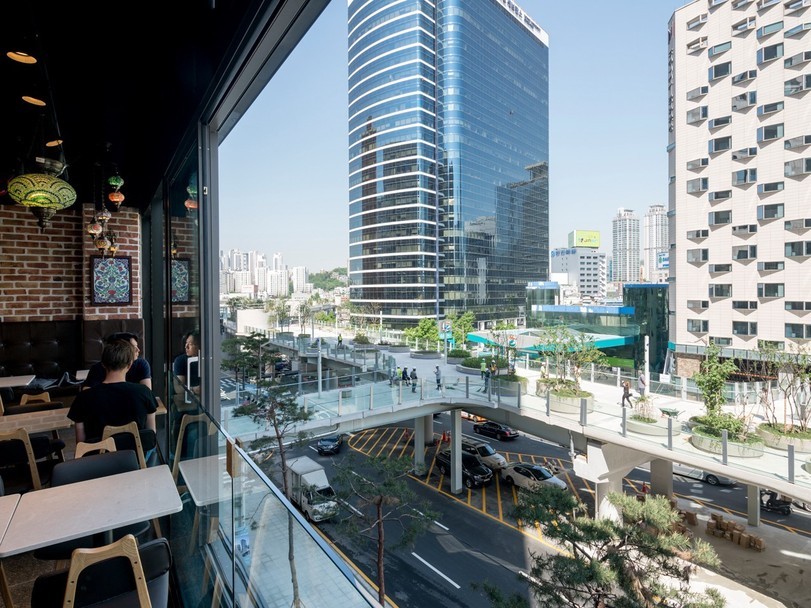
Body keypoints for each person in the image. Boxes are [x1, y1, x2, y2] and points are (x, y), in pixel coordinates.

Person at [68, 338, 158, 451]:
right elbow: (151, 437)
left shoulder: (83, 398)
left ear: (103, 365)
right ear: (130, 365)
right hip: (135, 459)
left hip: (98, 462)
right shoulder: (144, 392)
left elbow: (81, 445)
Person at [83, 332, 152, 390]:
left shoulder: (141, 364)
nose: (138, 350)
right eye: (134, 347)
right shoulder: (98, 368)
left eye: (137, 346)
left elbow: (147, 391)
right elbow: (87, 393)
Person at [173, 330, 201, 395]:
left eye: (190, 344)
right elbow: (178, 388)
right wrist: (193, 389)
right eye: (186, 343)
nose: (186, 346)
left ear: (199, 346)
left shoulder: (207, 360)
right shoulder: (180, 360)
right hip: (187, 399)